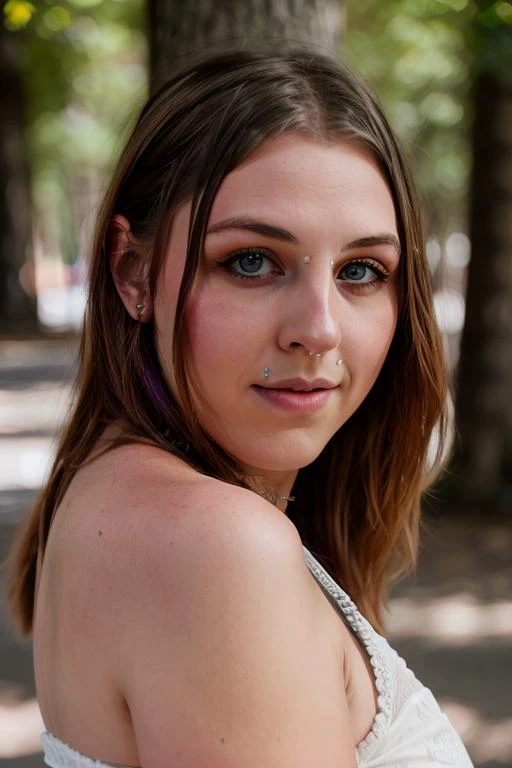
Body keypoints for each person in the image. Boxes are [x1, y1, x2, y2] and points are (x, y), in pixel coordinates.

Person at [7, 47, 474, 767]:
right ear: (132, 271)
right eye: (251, 260)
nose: (316, 329)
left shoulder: (112, 491)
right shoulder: (218, 547)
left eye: (361, 271)